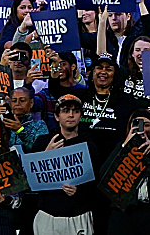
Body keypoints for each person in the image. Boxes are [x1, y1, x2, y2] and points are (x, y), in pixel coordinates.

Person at [30, 94, 98, 234]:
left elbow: (97, 183)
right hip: (48, 216)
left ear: (80, 116)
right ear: (56, 116)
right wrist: (46, 155)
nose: (71, 115)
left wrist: (79, 192)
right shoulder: (43, 142)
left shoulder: (90, 146)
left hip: (79, 216)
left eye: (76, 111)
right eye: (66, 111)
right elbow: (30, 179)